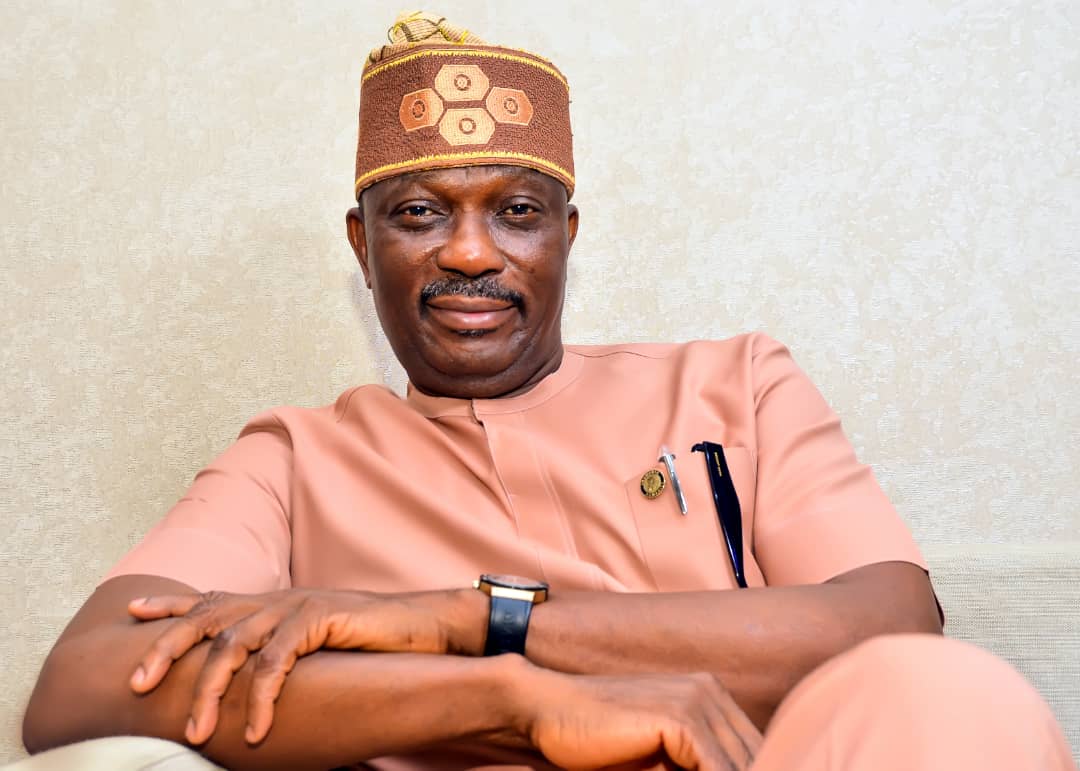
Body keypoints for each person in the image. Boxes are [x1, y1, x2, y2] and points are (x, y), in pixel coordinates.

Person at [18, 11, 1076, 771]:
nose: (471, 252)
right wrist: (506, 695)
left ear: (566, 236)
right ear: (362, 245)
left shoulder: (738, 382)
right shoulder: (294, 461)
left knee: (944, 691)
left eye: (516, 212)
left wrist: (462, 619)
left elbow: (890, 620)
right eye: (419, 214)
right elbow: (83, 684)